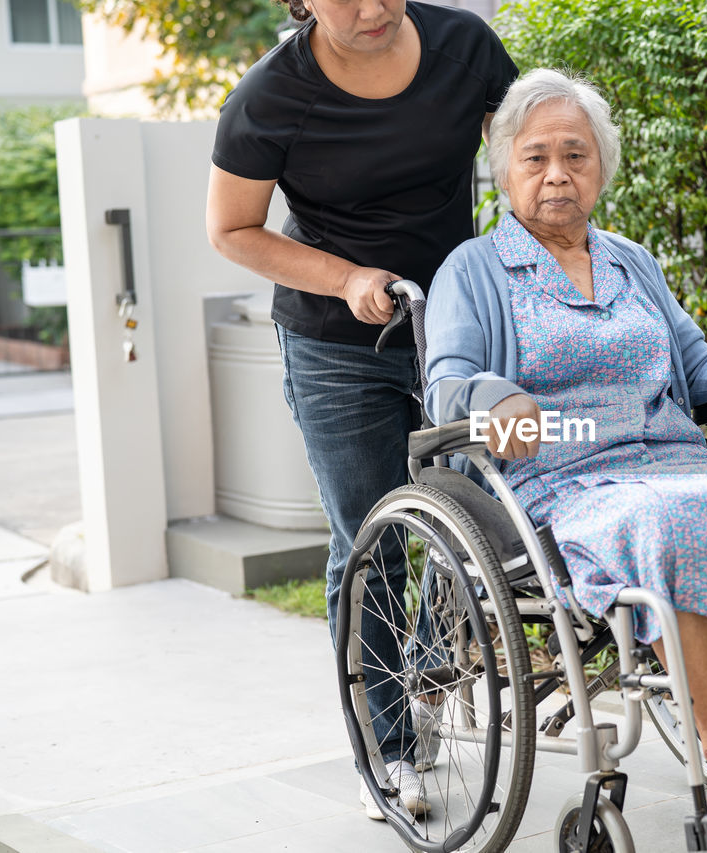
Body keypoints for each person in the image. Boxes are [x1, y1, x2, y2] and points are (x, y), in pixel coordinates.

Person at [423, 68, 707, 818]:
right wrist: (496, 397)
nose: (557, 176)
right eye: (536, 157)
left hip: (672, 462)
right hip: (562, 481)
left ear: (600, 166)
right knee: (660, 522)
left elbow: (698, 369)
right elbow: (447, 383)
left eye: (575, 156)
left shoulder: (630, 260)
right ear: (505, 168)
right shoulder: (473, 271)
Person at [204, 0, 516, 821]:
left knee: (475, 524)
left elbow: (523, 152)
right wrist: (347, 278)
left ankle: (426, 672)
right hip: (338, 343)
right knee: (373, 538)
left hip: (457, 326)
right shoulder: (271, 95)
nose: (374, 9)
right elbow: (232, 228)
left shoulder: (464, 46)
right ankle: (389, 747)